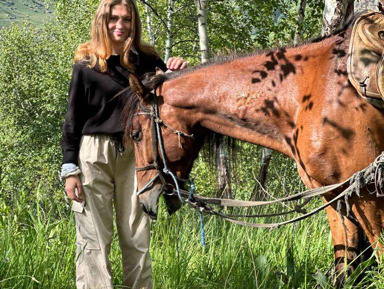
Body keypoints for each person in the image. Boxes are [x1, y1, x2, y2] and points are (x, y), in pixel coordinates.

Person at [60, 0, 187, 288]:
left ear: (134, 22)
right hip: (93, 153)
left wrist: (176, 72)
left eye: (127, 19)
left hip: (136, 152)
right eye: (113, 19)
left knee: (137, 236)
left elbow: (168, 102)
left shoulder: (148, 61)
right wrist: (70, 169)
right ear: (102, 22)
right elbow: (72, 119)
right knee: (93, 239)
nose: (120, 25)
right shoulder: (86, 65)